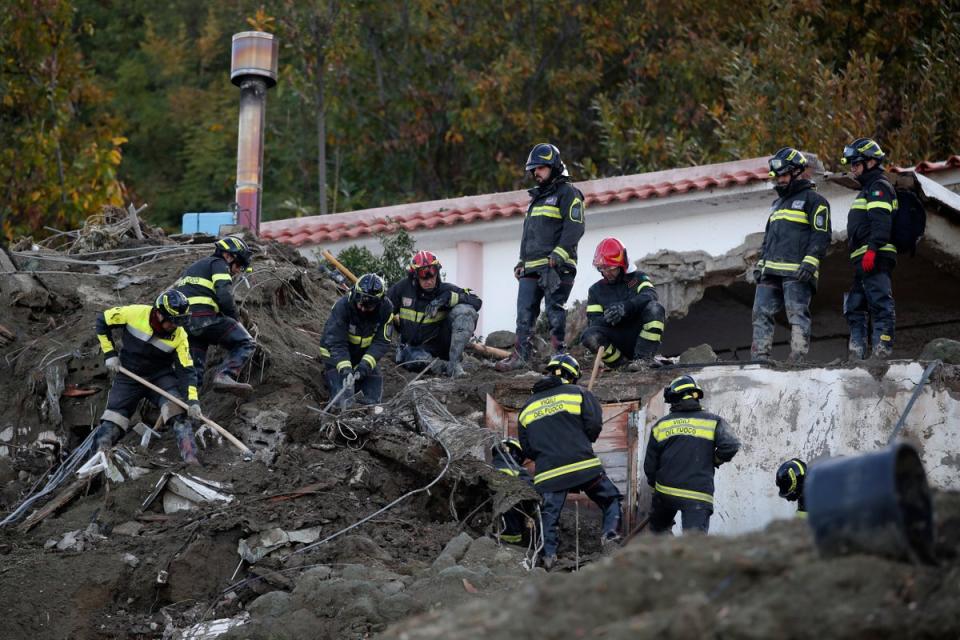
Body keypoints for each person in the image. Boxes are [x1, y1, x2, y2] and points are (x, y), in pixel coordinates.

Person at [518, 354, 622, 569]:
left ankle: (548, 557)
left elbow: (527, 449)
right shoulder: (580, 393)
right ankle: (609, 540)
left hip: (549, 474)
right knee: (610, 499)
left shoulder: (526, 407)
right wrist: (580, 440)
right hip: (583, 467)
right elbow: (593, 427)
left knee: (549, 515)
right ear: (572, 376)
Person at [496, 143, 585, 371]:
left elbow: (575, 228)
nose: (535, 173)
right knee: (524, 313)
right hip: (531, 267)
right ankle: (520, 357)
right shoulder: (536, 199)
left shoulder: (569, 193)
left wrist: (558, 255)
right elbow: (530, 235)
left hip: (557, 266)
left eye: (540, 168)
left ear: (554, 166)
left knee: (555, 310)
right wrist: (521, 262)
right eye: (533, 170)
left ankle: (559, 356)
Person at [92, 290, 202, 464]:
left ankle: (191, 460)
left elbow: (187, 370)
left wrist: (193, 401)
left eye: (179, 322)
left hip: (160, 376)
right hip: (128, 374)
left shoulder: (180, 335)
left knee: (179, 417)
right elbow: (102, 320)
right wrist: (109, 354)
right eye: (172, 322)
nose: (175, 326)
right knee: (112, 423)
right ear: (159, 314)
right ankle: (97, 462)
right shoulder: (134, 313)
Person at [751, 147, 832, 363]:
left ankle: (797, 358)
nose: (779, 180)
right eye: (776, 176)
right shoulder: (776, 205)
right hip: (770, 271)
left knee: (796, 314)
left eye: (783, 175)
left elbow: (821, 235)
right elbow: (769, 239)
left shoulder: (815, 201)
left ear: (797, 172)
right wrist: (760, 264)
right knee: (760, 312)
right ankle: (759, 357)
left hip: (797, 272)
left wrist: (810, 262)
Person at [644, 375, 740, 534]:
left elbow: (650, 465)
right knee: (694, 546)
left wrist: (655, 487)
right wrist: (714, 459)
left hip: (666, 493)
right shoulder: (713, 421)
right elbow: (731, 445)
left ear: (674, 398)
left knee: (658, 536)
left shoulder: (662, 424)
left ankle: (663, 555)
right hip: (699, 495)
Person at [174, 236, 257, 394]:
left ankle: (182, 411)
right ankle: (224, 375)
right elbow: (224, 296)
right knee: (246, 342)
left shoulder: (195, 268)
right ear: (228, 256)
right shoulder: (219, 264)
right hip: (205, 318)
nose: (238, 270)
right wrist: (236, 321)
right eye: (238, 264)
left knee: (194, 375)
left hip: (186, 325)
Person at [841, 138, 898, 359]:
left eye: (856, 163)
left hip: (876, 256)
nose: (852, 169)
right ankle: (856, 355)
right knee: (854, 305)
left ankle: (881, 353)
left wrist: (872, 250)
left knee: (880, 303)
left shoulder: (879, 187)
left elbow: (881, 224)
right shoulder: (867, 189)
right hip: (863, 260)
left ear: (871, 162)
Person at [387, 250, 482, 378]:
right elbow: (383, 308)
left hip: (440, 345)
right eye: (423, 274)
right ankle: (446, 367)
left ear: (437, 271)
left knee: (466, 311)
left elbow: (476, 301)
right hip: (415, 350)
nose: (429, 280)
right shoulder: (402, 289)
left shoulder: (445, 290)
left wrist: (448, 298)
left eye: (432, 273)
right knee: (416, 361)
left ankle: (455, 364)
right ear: (414, 275)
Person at [581, 237, 666, 371]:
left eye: (611, 268)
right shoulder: (595, 291)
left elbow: (650, 294)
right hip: (616, 340)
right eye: (602, 269)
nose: (607, 273)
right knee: (588, 336)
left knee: (655, 309)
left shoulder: (638, 278)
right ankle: (622, 366)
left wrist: (626, 307)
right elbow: (594, 324)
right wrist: (609, 318)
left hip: (638, 335)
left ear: (623, 264)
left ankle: (644, 360)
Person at [319, 274, 394, 408]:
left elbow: (381, 342)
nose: (362, 308)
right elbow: (336, 342)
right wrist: (345, 368)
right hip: (336, 356)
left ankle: (367, 416)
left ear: (379, 302)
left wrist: (365, 365)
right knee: (343, 401)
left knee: (374, 401)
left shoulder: (386, 309)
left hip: (361, 357)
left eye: (368, 305)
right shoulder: (342, 307)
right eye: (360, 302)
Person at [491, 438, 534, 546]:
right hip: (510, 527)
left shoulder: (487, 469)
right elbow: (533, 494)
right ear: (516, 455)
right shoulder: (518, 472)